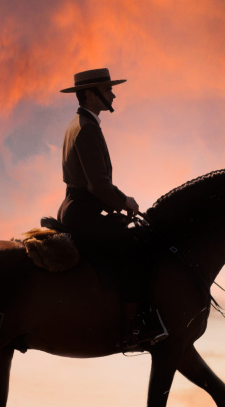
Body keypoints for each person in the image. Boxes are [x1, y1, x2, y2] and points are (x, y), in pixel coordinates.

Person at [57, 68, 167, 350]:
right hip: (83, 214)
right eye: (107, 90)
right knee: (136, 250)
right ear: (91, 94)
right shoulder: (88, 128)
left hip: (77, 208)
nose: (113, 94)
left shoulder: (77, 124)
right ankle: (134, 329)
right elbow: (98, 185)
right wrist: (124, 201)